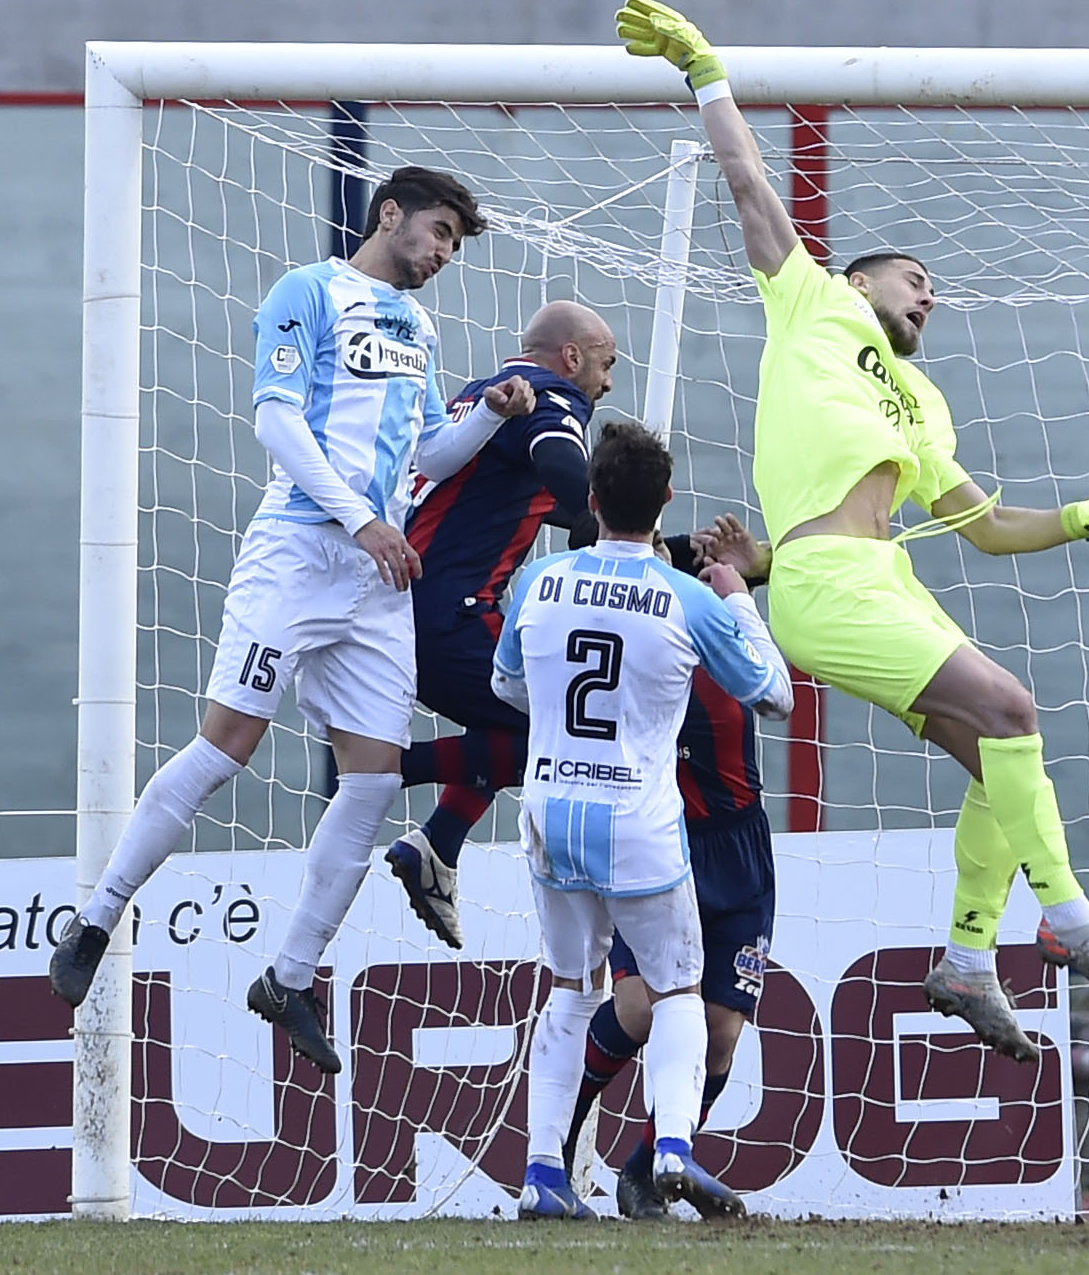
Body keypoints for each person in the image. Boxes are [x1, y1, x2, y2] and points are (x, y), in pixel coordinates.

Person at [618, 0, 1089, 1059]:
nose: (930, 295)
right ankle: (1070, 920)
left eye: (936, 291)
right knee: (1011, 704)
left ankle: (965, 959)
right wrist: (707, 72)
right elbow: (749, 182)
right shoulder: (811, 301)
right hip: (827, 584)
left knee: (1006, 758)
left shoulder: (922, 408)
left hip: (882, 582)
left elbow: (990, 527)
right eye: (915, 278)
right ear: (857, 278)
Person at [49, 168, 534, 1073]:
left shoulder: (418, 326)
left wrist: (488, 422)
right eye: (436, 233)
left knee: (372, 780)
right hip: (304, 555)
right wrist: (360, 518)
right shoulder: (307, 291)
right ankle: (96, 918)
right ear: (388, 213)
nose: (441, 255)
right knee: (227, 746)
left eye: (454, 247)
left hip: (377, 577)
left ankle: (290, 975)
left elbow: (428, 449)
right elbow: (276, 421)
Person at [506, 421, 788, 1220]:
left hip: (556, 812)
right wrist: (738, 597)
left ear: (589, 499)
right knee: (671, 996)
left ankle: (550, 1177)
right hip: (643, 823)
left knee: (573, 992)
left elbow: (506, 689)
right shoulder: (685, 601)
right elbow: (775, 693)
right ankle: (668, 1153)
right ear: (663, 503)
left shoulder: (540, 583)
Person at [384, 301, 620, 949]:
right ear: (572, 357)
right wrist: (603, 515)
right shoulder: (550, 399)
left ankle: (436, 844)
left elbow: (495, 499)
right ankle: (385, 770)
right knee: (568, 737)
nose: (608, 382)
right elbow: (563, 470)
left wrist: (585, 519)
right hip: (445, 617)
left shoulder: (475, 399)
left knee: (514, 723)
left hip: (406, 610)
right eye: (606, 364)